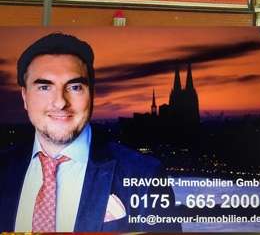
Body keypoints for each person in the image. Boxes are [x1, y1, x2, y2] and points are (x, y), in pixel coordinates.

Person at [0, 32, 175, 232]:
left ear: (91, 93)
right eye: (44, 87)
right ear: (24, 96)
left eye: (74, 87)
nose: (60, 102)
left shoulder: (145, 174)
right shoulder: (4, 169)